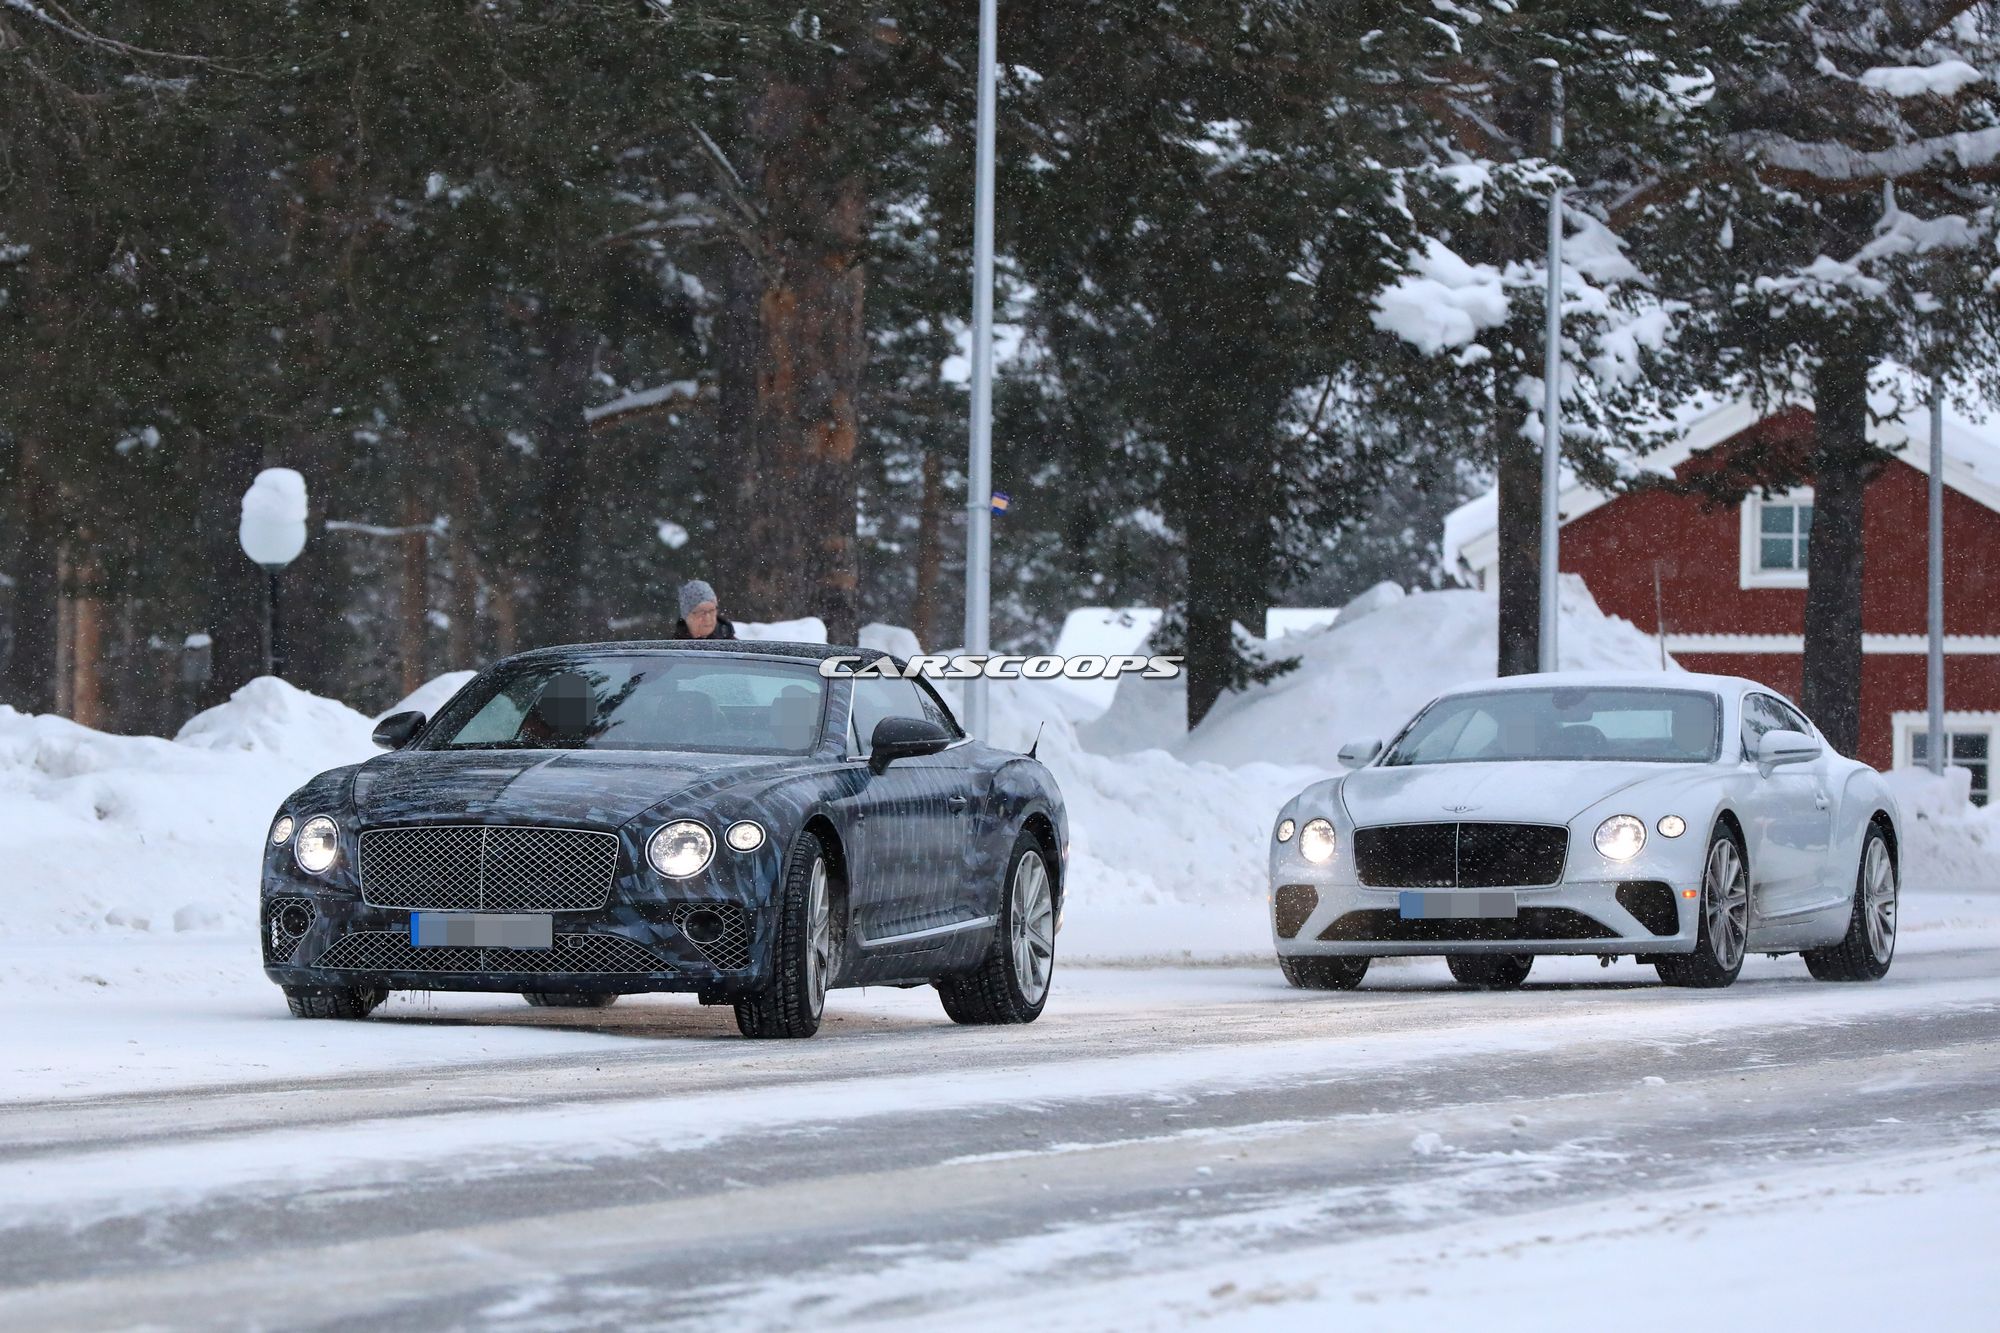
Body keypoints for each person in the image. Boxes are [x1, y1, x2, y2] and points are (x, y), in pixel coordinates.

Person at [671, 579, 736, 641]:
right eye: (701, 612)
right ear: (686, 616)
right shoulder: (672, 647)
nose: (707, 617)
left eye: (711, 610)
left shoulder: (732, 645)